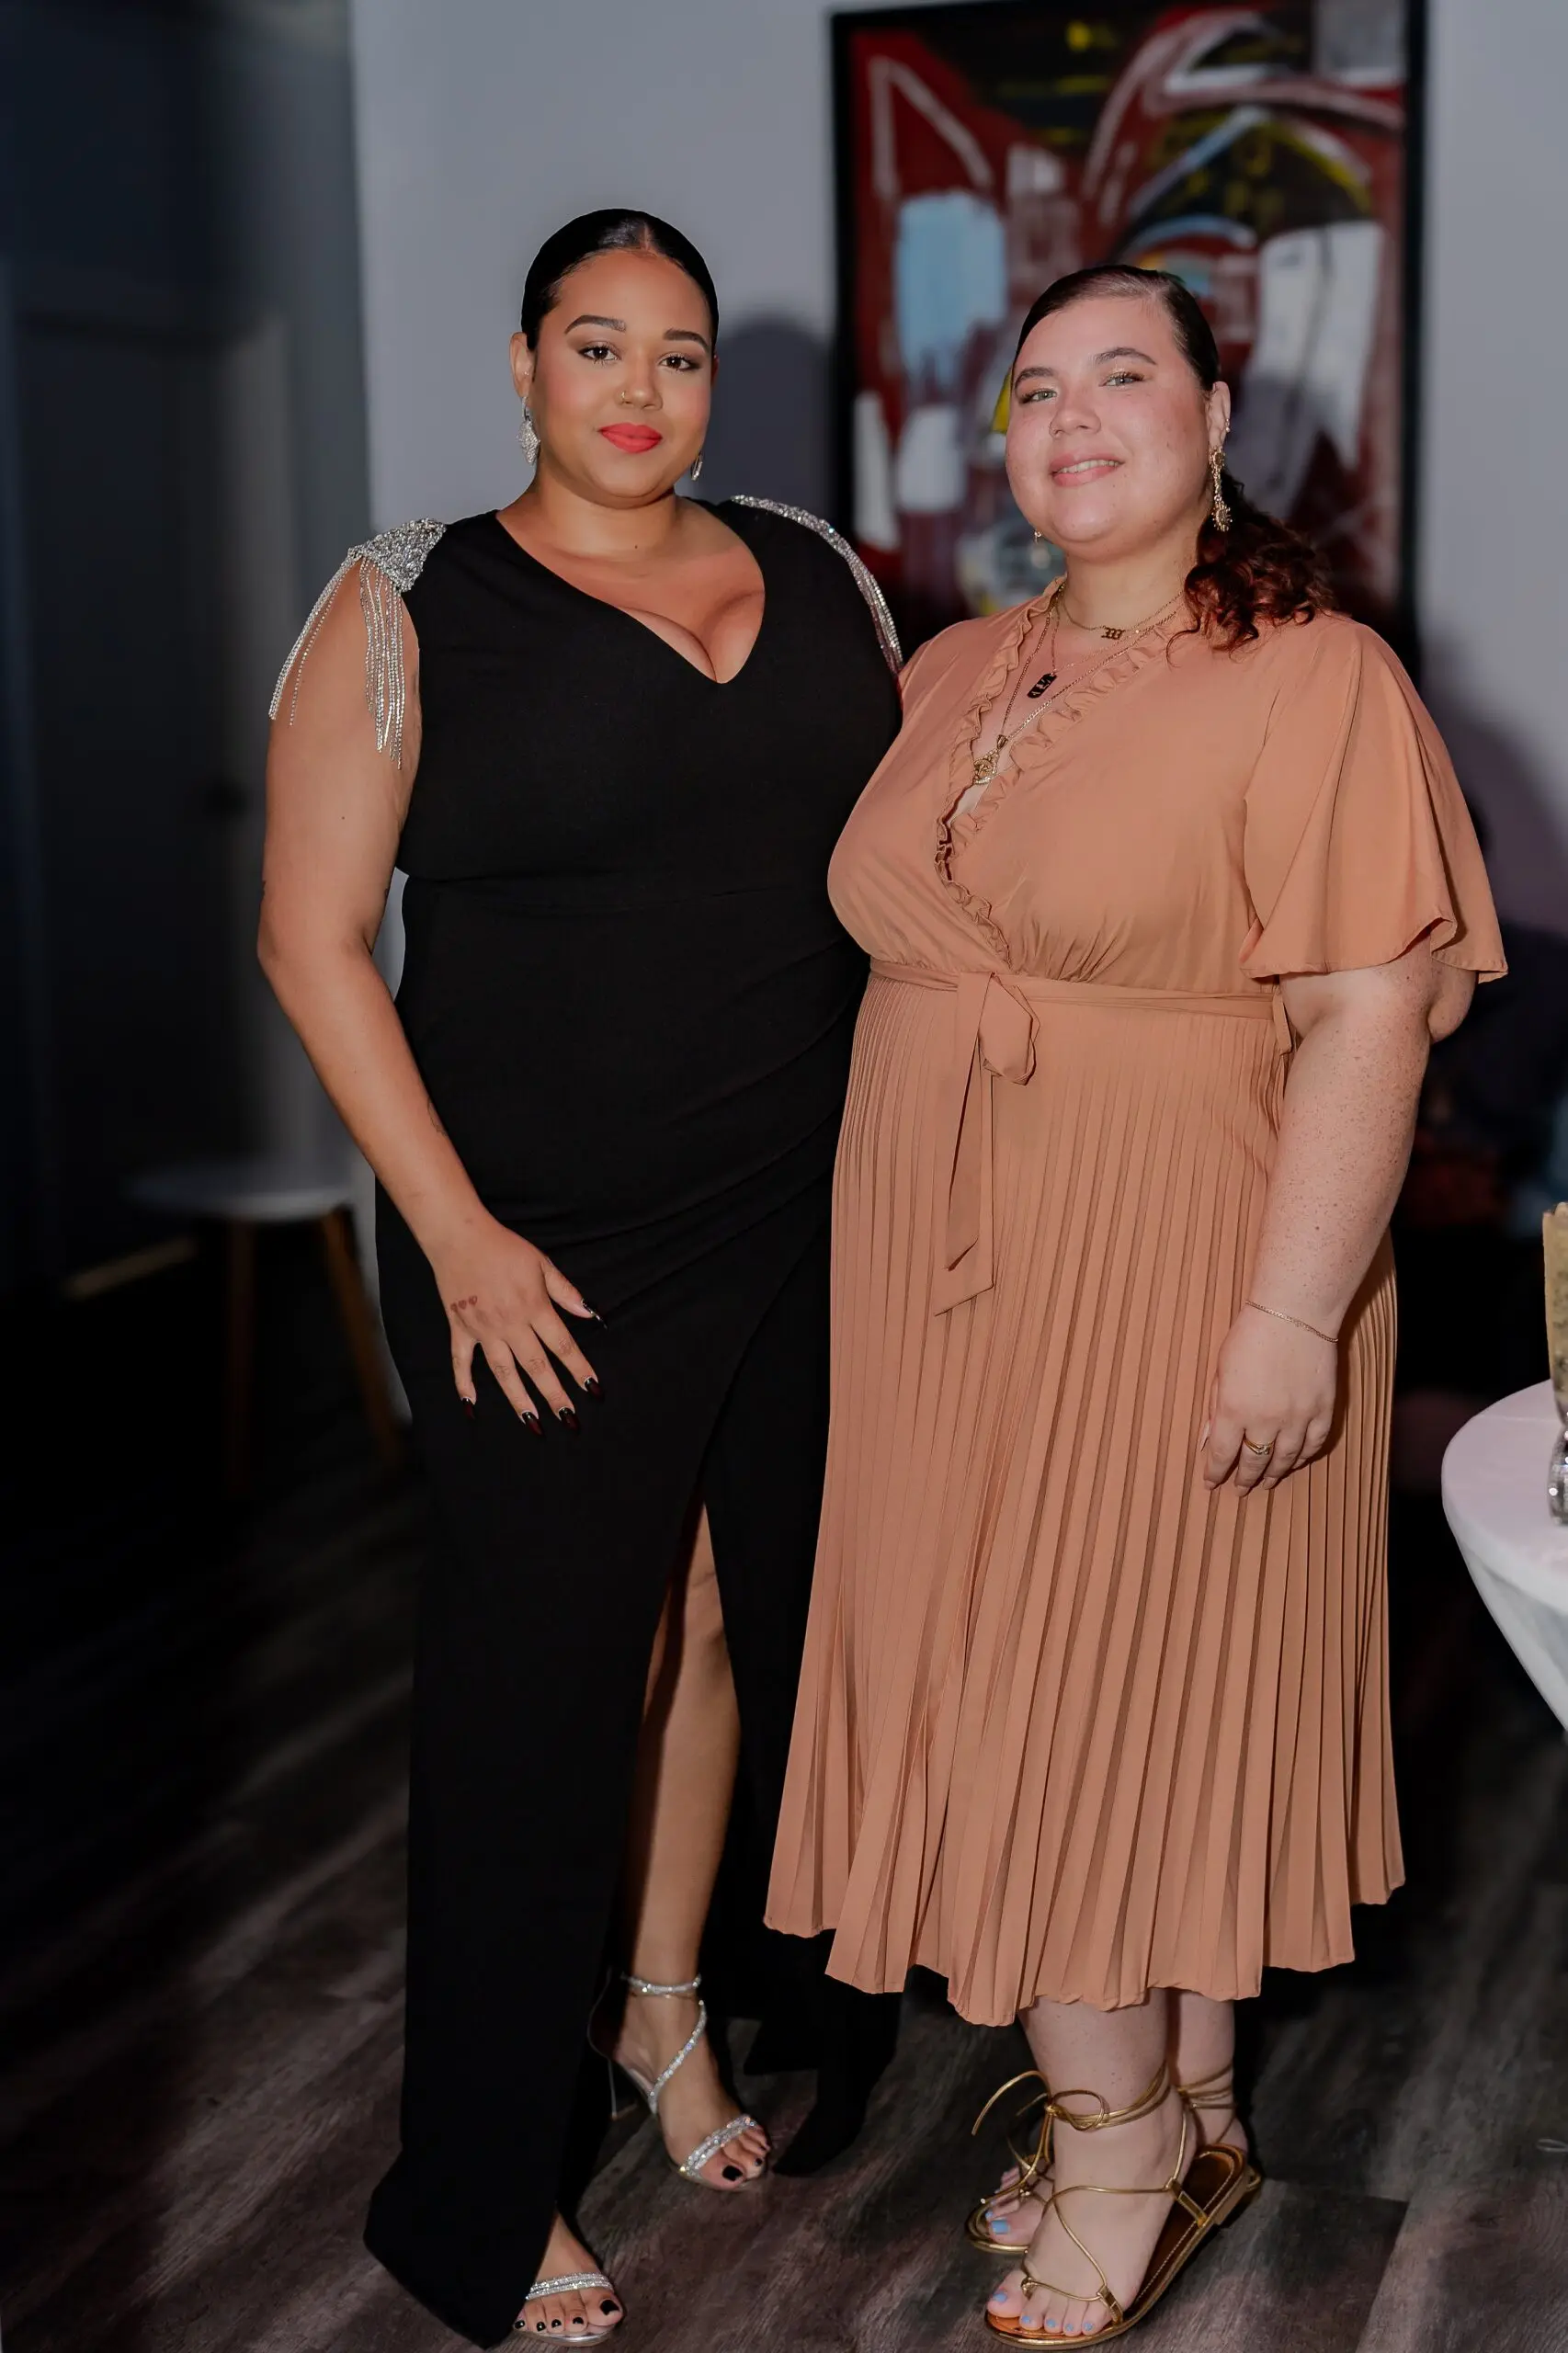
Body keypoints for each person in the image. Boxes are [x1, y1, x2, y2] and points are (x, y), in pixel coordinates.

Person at [767, 264, 1503, 2341]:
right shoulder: (949, 665)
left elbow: (1368, 1016)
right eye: (1033, 388)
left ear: (1213, 418)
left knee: (1081, 1697)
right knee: (1074, 1684)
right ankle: (1184, 2111)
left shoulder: (1311, 673)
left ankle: (1110, 2153)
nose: (1070, 415)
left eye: (1121, 375)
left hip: (1181, 1247)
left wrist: (1292, 1317)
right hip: (936, 1272)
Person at [259, 209, 902, 2348]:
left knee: (720, 1613)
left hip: (788, 1209)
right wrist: (459, 1237)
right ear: (524, 366)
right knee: (538, 1684)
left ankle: (660, 2007)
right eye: (597, 343)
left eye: (680, 351)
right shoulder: (408, 600)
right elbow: (309, 941)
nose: (640, 387)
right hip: (530, 1239)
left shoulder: (817, 573)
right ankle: (478, 2168)